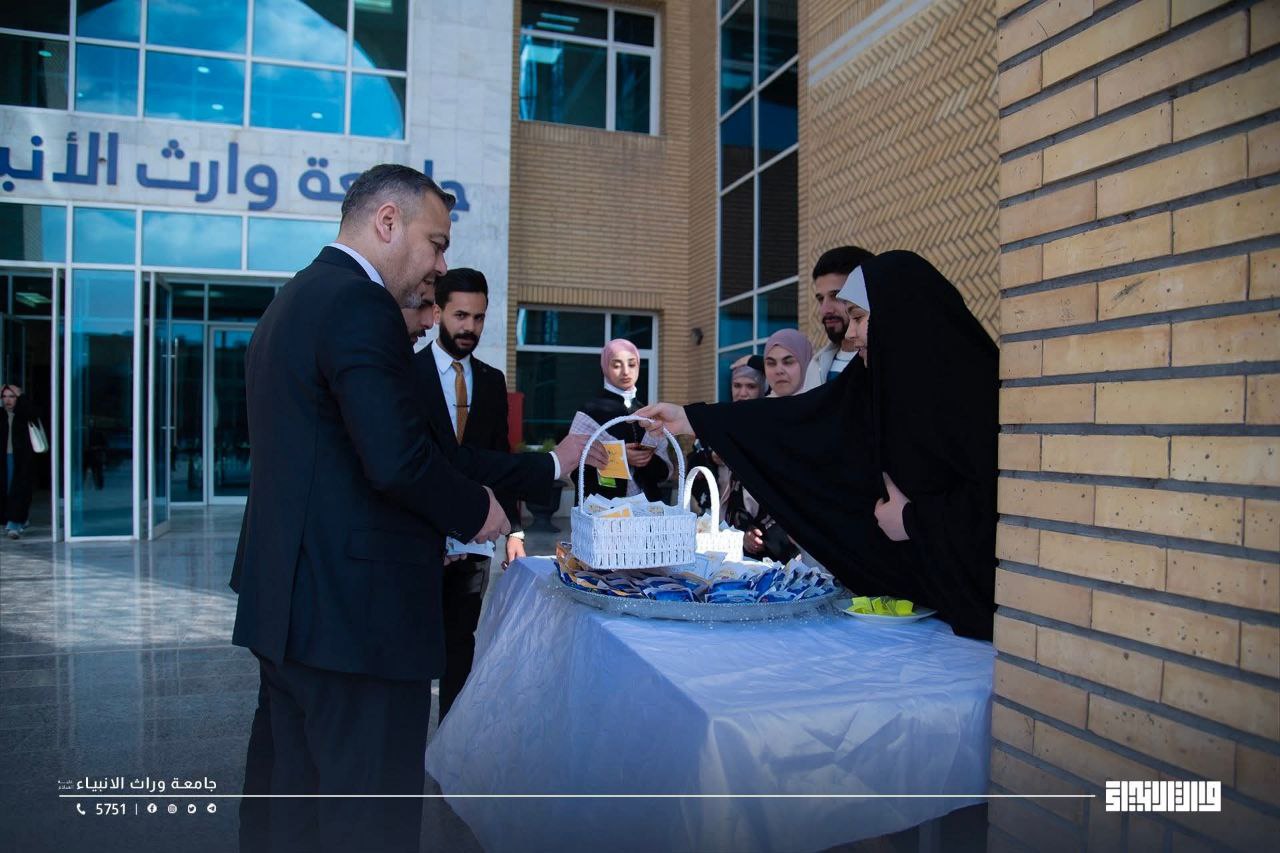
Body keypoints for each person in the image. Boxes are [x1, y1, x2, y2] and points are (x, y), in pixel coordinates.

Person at [230, 164, 519, 853]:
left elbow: (331, 459)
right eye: (436, 243)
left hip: (290, 609)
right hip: (356, 621)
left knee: (292, 812)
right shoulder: (361, 305)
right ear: (388, 221)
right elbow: (396, 457)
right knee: (368, 821)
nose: (440, 266)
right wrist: (479, 510)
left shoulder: (294, 297)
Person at [639, 251, 997, 640]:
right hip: (925, 616)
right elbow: (802, 424)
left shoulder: (971, 392)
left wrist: (914, 521)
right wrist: (694, 419)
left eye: (859, 318)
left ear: (900, 313)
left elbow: (1001, 506)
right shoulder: (872, 382)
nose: (851, 334)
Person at [410, 267, 523, 720]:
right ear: (438, 311)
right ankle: (406, 744)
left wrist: (514, 529)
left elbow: (500, 458)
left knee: (461, 645)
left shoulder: (492, 381)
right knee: (415, 649)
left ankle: (449, 742)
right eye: (460, 316)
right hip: (420, 541)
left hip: (474, 542)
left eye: (478, 318)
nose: (469, 328)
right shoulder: (406, 374)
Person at [726, 331, 811, 561]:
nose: (779, 370)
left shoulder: (818, 413)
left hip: (807, 543)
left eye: (788, 361)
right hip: (758, 544)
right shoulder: (759, 417)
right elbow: (742, 487)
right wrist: (747, 530)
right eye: (770, 363)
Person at [574, 338, 670, 502]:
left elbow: (663, 472)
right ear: (605, 367)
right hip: (602, 508)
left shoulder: (648, 413)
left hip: (646, 509)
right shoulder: (589, 412)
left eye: (632, 364)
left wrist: (647, 458)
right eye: (617, 365)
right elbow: (574, 464)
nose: (626, 372)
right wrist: (619, 457)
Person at [686, 355, 765, 518]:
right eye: (737, 385)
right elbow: (694, 462)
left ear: (763, 388)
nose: (743, 393)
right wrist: (712, 457)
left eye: (751, 386)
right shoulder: (717, 421)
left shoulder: (768, 423)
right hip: (716, 513)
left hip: (757, 518)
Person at [803, 245, 876, 391]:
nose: (825, 309)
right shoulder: (816, 365)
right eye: (820, 299)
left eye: (836, 296)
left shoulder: (884, 362)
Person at [1, 384, 37, 539]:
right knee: (8, 489)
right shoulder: (1, 415)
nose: (8, 400)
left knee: (19, 489)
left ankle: (14, 524)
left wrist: (22, 396)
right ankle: (18, 519)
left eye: (12, 396)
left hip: (21, 459)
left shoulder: (23, 414)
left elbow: (33, 413)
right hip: (5, 458)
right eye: (4, 396)